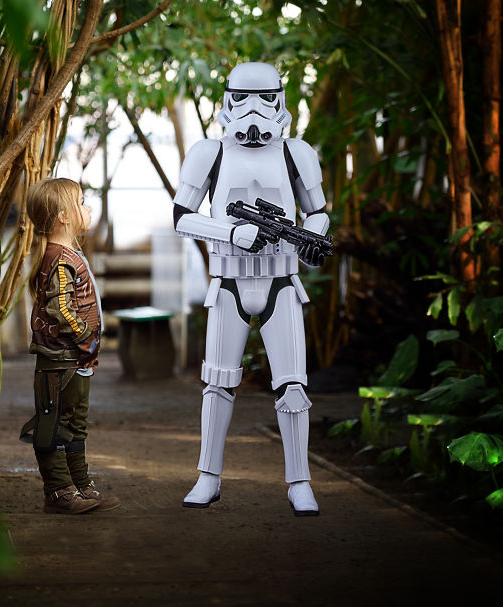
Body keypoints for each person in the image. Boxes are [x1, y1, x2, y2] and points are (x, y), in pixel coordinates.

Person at [172, 62, 331, 516]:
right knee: (217, 383)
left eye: (264, 97)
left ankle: (300, 482)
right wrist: (230, 233)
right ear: (228, 99)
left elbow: (318, 211)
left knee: (293, 386)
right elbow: (182, 215)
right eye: (243, 97)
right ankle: (208, 477)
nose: (254, 110)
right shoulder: (209, 152)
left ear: (280, 98)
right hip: (228, 280)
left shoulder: (297, 153)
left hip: (283, 279)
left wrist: (308, 235)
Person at [23, 177, 120, 514]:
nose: (87, 208)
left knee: (75, 422)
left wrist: (88, 348)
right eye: (81, 202)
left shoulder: (68, 254)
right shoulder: (60, 258)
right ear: (64, 216)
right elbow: (61, 308)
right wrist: (85, 340)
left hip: (75, 358)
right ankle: (59, 491)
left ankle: (80, 484)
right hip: (61, 358)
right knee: (53, 424)